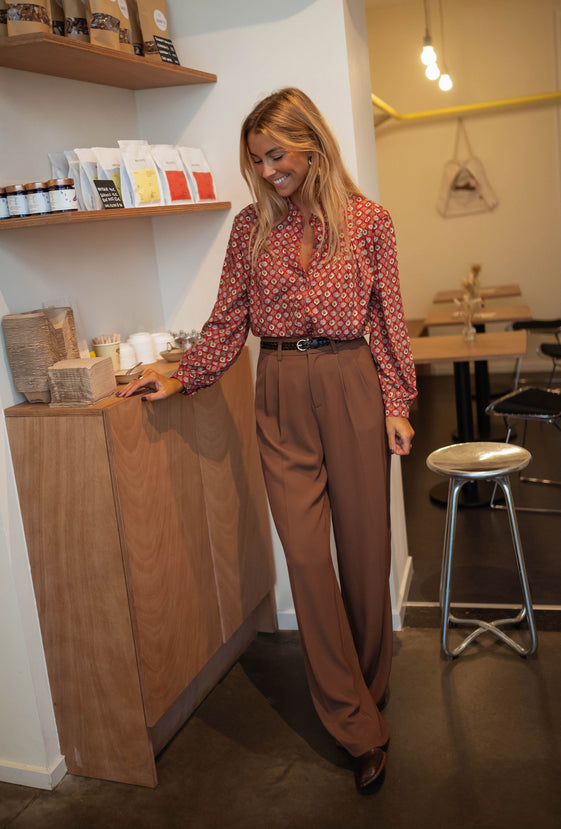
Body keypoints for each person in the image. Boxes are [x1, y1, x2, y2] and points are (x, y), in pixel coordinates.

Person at [117, 87, 417, 790]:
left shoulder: (370, 222)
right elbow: (227, 318)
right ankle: (355, 725)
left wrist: (396, 402)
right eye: (256, 159)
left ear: (309, 142)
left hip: (351, 382)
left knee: (366, 553)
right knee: (308, 559)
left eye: (275, 154)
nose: (266, 170)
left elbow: (388, 319)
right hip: (277, 384)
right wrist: (184, 374)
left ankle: (369, 689)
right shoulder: (251, 226)